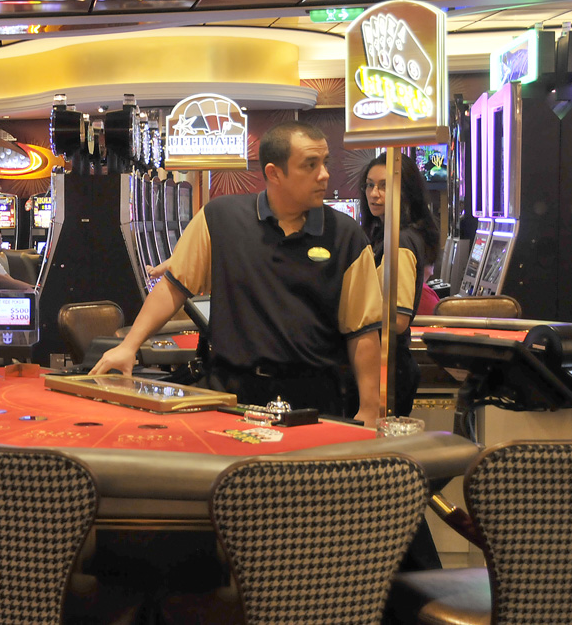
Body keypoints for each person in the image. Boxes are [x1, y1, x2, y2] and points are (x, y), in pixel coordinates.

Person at [90, 122, 383, 426]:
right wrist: (129, 346)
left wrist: (370, 408)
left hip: (315, 398)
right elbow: (173, 287)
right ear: (274, 173)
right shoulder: (220, 217)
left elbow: (362, 330)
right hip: (232, 394)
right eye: (310, 165)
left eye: (325, 163)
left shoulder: (346, 235)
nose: (324, 174)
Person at [358, 153, 440, 417]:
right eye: (370, 185)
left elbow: (399, 319)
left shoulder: (401, 241)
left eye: (384, 186)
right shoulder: (384, 234)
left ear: (406, 191)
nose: (374, 194)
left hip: (390, 366)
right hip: (383, 363)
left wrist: (350, 318)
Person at [0, 222, 34, 291]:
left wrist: (31, 288)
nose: (1, 242)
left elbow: (9, 280)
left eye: (1, 238)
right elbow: (0, 280)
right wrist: (31, 288)